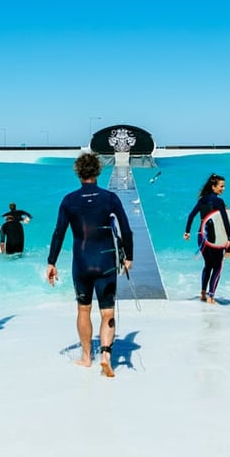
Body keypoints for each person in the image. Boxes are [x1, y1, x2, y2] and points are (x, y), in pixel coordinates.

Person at [46, 152, 134, 377]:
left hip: (82, 262)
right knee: (107, 312)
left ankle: (86, 357)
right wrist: (128, 257)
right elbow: (125, 229)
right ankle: (106, 355)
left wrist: (51, 262)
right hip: (105, 261)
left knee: (83, 310)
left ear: (78, 172)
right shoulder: (110, 198)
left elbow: (59, 233)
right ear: (98, 171)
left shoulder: (69, 200)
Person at [184, 173, 230, 304]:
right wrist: (229, 237)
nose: (223, 189)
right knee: (217, 266)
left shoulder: (202, 200)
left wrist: (187, 231)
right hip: (214, 237)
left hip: (201, 236)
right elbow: (224, 219)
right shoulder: (218, 201)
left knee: (208, 264)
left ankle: (203, 293)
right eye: (221, 186)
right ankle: (211, 297)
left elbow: (191, 215)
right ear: (213, 187)